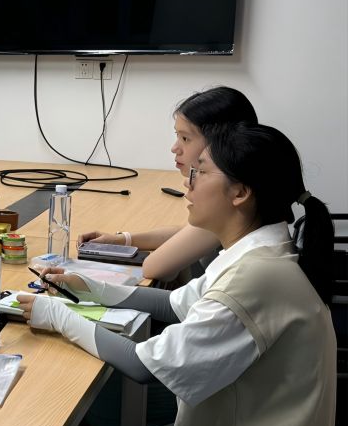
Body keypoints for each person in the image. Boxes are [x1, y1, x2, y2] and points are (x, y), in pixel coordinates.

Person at [18, 123, 337, 426]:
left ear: (240, 192)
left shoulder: (255, 277)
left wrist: (59, 316)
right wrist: (90, 289)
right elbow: (172, 304)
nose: (187, 184)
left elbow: (142, 366)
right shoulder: (255, 251)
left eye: (199, 172)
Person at [79, 86, 257, 282]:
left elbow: (153, 267)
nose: (175, 148)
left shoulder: (227, 206)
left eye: (185, 138)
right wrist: (122, 240)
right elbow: (186, 232)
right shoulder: (243, 189)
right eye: (177, 136)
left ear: (221, 144)